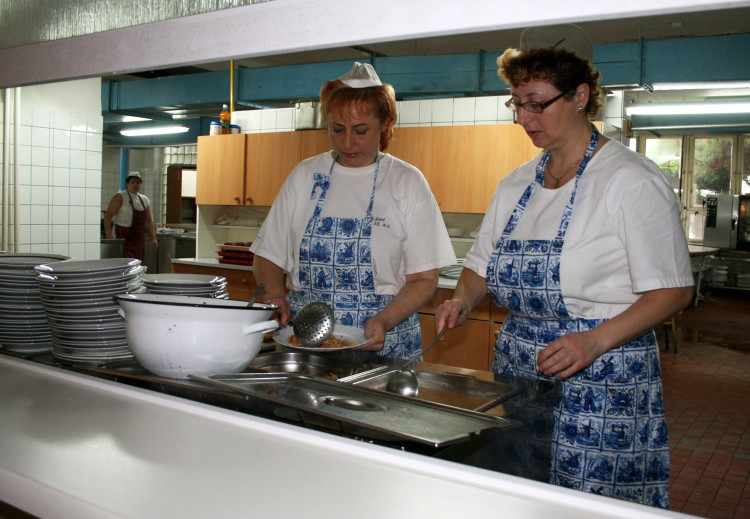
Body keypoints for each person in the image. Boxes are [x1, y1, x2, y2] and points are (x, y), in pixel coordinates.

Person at [434, 25, 694, 508]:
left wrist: (593, 339)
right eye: (517, 103)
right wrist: (463, 299)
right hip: (519, 369)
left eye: (537, 102)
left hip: (601, 373)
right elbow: (480, 264)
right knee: (519, 493)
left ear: (580, 95)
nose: (525, 118)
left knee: (586, 505)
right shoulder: (516, 184)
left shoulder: (629, 180)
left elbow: (674, 291)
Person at [250, 62, 456, 357]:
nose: (347, 142)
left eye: (360, 131)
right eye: (338, 129)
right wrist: (273, 293)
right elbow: (268, 255)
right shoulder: (305, 175)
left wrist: (384, 319)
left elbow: (424, 279)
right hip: (308, 341)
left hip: (385, 341)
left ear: (384, 125)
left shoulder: (406, 181)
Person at [103, 171, 158, 262]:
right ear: (127, 184)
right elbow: (108, 217)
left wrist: (154, 238)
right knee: (123, 263)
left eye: (138, 182)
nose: (135, 185)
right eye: (132, 182)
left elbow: (149, 221)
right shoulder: (120, 197)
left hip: (138, 238)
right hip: (122, 237)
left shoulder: (144, 200)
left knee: (137, 263)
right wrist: (109, 236)